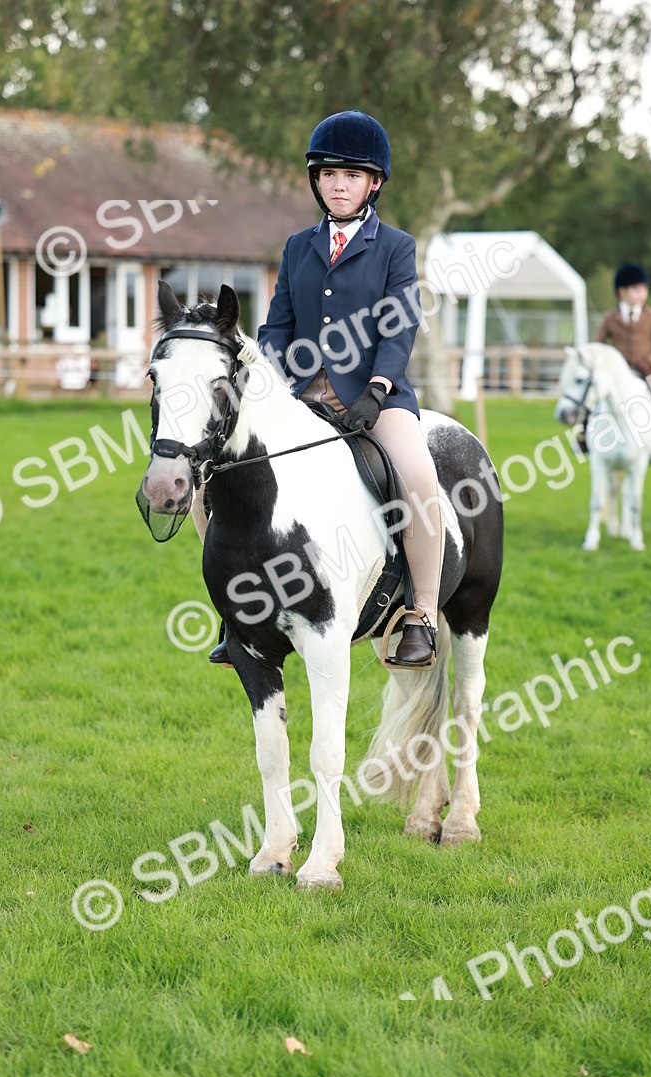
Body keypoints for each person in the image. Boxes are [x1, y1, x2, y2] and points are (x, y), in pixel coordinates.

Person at [209, 110, 443, 668]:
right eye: (329, 174)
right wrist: (265, 383)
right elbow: (278, 326)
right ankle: (235, 610)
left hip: (375, 397)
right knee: (214, 475)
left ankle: (422, 614)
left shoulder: (396, 247)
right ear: (316, 180)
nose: (338, 185)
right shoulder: (298, 247)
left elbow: (399, 327)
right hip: (300, 398)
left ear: (374, 183)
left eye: (351, 176)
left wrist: (378, 389)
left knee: (418, 479)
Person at [587, 262, 651, 466]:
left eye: (644, 289)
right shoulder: (610, 317)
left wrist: (650, 360)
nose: (641, 294)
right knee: (590, 396)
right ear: (622, 292)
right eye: (636, 289)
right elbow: (598, 344)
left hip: (650, 372)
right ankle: (583, 435)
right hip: (620, 375)